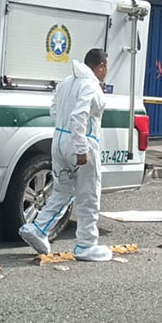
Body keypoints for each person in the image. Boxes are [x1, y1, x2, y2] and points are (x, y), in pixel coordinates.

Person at [20, 48, 112, 262]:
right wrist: (81, 148)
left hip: (59, 140)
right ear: (101, 66)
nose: (107, 70)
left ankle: (38, 228)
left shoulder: (67, 82)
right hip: (81, 142)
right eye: (106, 66)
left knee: (63, 190)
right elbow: (79, 116)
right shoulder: (90, 86)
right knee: (88, 196)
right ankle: (86, 245)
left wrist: (66, 134)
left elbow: (54, 110)